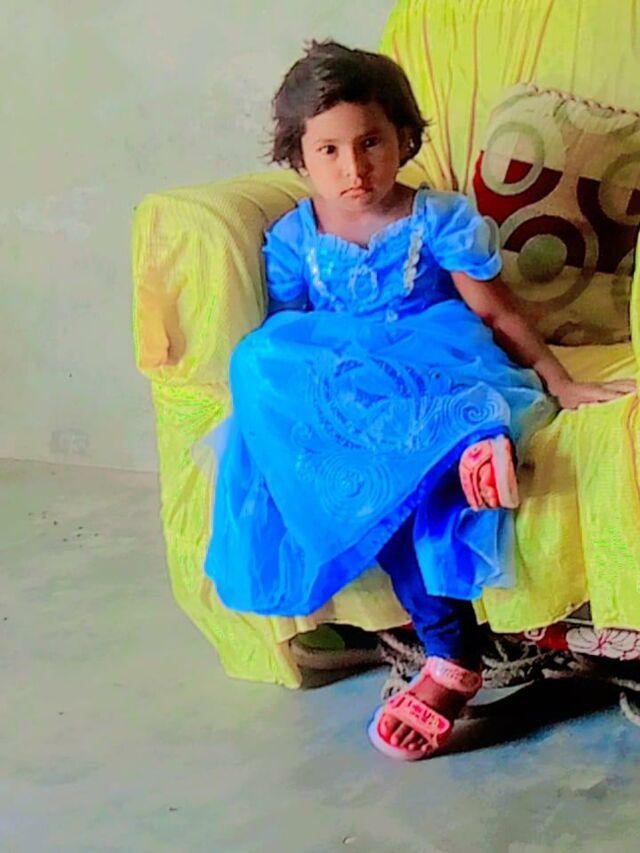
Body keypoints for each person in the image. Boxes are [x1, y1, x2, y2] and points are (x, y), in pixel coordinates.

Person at [203, 41, 635, 761]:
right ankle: (454, 490)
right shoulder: (294, 239)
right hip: (362, 400)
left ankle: (451, 635)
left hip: (433, 374)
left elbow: (496, 313)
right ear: (297, 157)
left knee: (406, 474)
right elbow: (294, 347)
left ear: (404, 137)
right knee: (268, 368)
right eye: (329, 150)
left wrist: (559, 382)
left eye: (371, 142)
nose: (354, 168)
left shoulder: (437, 218)